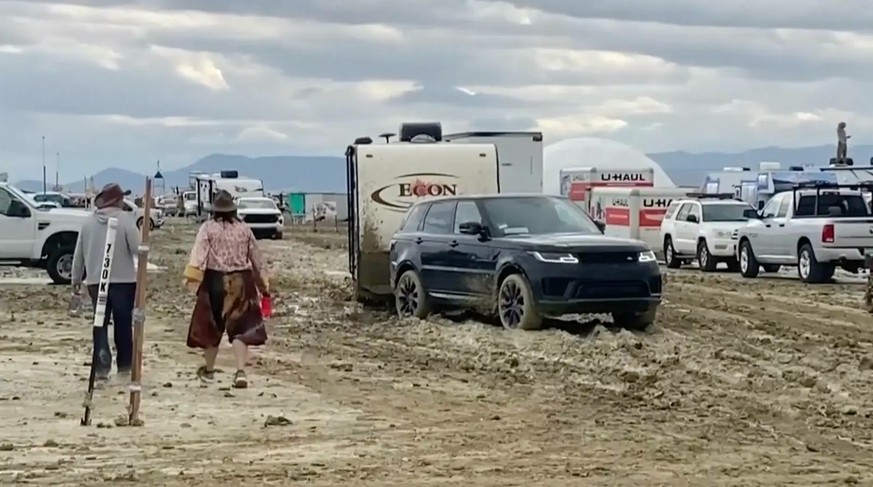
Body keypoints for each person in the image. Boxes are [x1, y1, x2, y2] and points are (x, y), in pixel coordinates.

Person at [183, 190, 269, 389]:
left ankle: (210, 370)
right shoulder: (244, 229)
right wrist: (263, 285)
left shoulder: (208, 228)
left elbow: (198, 256)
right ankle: (240, 371)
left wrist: (191, 280)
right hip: (242, 281)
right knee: (241, 328)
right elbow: (257, 259)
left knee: (211, 326)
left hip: (215, 279)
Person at [71, 183, 141, 382]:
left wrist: (76, 279)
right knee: (122, 324)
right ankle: (125, 365)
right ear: (118, 200)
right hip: (123, 282)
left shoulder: (88, 223)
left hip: (95, 281)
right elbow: (138, 250)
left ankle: (101, 365)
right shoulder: (126, 221)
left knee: (99, 321)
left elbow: (78, 255)